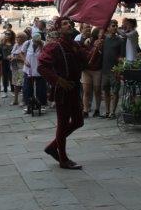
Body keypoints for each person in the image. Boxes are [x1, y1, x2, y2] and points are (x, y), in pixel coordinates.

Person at [38, 17, 99, 169]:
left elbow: (87, 62)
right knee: (63, 123)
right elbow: (42, 66)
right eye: (64, 24)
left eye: (70, 23)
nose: (69, 25)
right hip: (63, 90)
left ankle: (52, 147)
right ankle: (63, 159)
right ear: (58, 29)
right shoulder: (54, 46)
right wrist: (58, 80)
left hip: (74, 88)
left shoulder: (75, 45)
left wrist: (96, 48)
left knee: (78, 121)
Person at [100, 20, 125, 118]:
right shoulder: (104, 40)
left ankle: (113, 112)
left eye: (116, 26)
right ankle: (107, 111)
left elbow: (122, 57)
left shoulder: (120, 40)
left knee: (115, 92)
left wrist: (119, 70)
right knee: (106, 91)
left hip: (115, 70)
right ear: (108, 28)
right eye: (113, 26)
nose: (115, 27)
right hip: (105, 70)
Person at [22, 32, 47, 111]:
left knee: (41, 88)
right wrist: (25, 61)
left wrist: (41, 47)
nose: (36, 43)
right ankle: (28, 104)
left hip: (40, 70)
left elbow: (47, 55)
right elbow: (22, 53)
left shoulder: (44, 44)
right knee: (27, 87)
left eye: (37, 41)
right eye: (35, 41)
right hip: (29, 69)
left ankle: (41, 104)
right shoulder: (27, 43)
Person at [81, 27, 102, 117]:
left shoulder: (101, 43)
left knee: (97, 91)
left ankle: (97, 109)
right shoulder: (86, 41)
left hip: (97, 69)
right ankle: (85, 110)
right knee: (86, 91)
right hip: (87, 69)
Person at [9, 33, 27, 106]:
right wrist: (10, 57)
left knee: (22, 84)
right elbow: (12, 54)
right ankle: (15, 100)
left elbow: (26, 59)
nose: (16, 38)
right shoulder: (16, 45)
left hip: (22, 67)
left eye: (18, 37)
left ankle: (23, 100)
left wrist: (16, 58)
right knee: (15, 84)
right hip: (14, 67)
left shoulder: (25, 45)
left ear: (23, 38)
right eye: (16, 37)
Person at [0, 31, 14, 98]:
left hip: (11, 61)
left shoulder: (13, 43)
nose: (7, 35)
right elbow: (0, 53)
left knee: (11, 76)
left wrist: (12, 56)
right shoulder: (2, 43)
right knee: (5, 76)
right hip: (4, 62)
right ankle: (5, 91)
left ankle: (12, 90)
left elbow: (15, 52)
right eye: (6, 34)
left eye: (8, 34)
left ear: (11, 35)